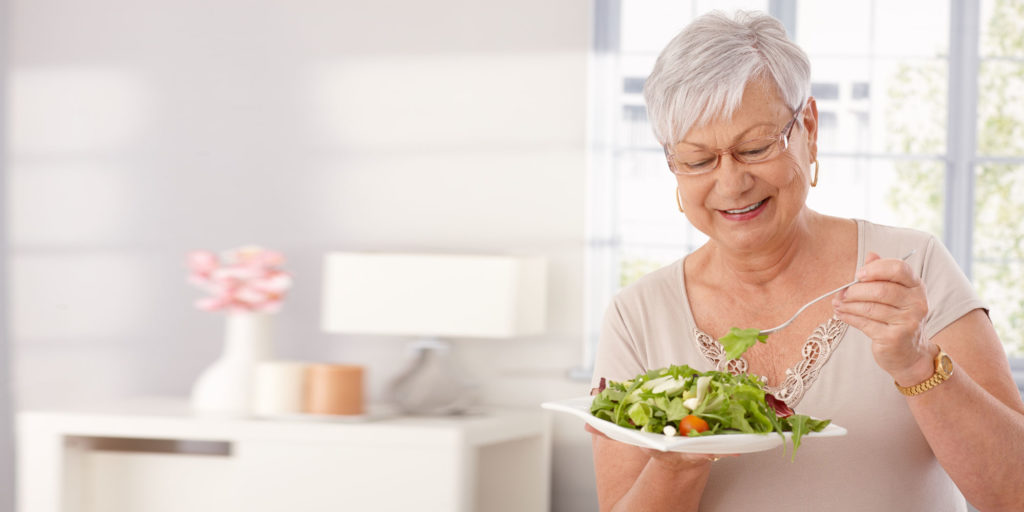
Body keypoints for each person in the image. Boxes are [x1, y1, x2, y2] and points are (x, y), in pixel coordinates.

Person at [588, 10, 1024, 511]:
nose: (731, 184)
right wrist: (676, 457)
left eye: (754, 148)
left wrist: (915, 363)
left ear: (809, 128)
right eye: (698, 160)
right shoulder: (636, 315)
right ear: (672, 165)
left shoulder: (913, 265)